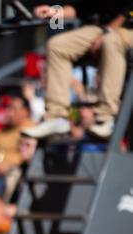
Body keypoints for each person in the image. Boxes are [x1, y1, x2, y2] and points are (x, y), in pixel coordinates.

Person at [23, 1, 133, 139]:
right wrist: (54, 12)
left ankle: (106, 118)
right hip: (101, 27)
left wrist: (108, 30)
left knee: (110, 41)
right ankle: (56, 117)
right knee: (57, 45)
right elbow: (81, 7)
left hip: (126, 27)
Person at [0, 95, 35, 201]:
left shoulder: (31, 129)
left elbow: (27, 155)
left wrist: (9, 164)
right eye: (8, 108)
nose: (9, 112)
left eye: (14, 108)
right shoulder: (2, 132)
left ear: (26, 111)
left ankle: (2, 208)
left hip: (16, 171)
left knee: (12, 175)